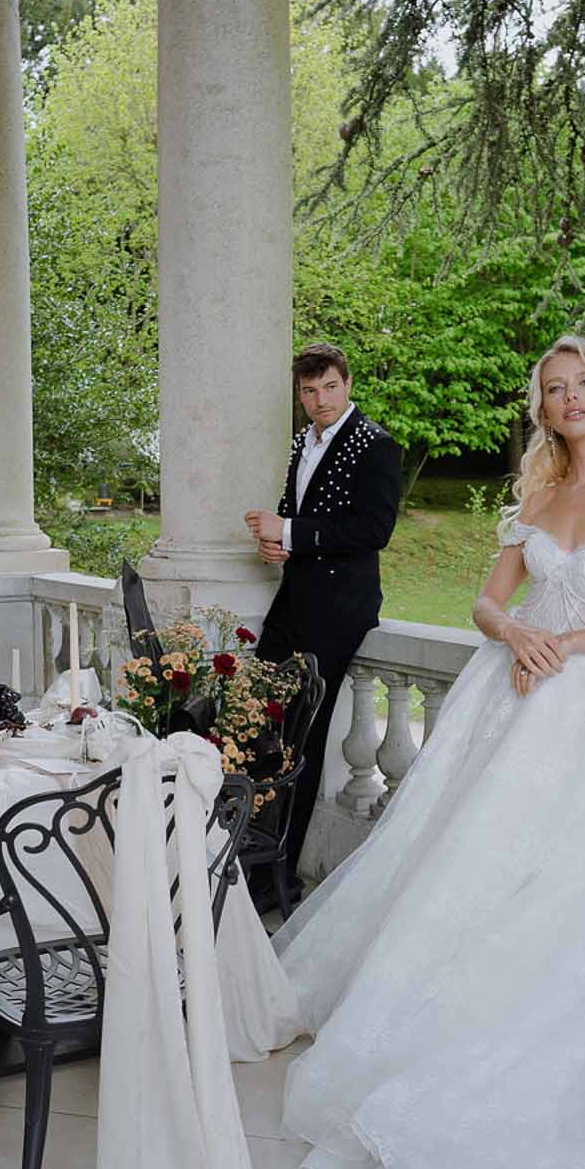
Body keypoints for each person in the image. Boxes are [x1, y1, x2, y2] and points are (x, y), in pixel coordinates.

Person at [274, 334, 585, 1169]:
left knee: (538, 874)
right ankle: (408, 1028)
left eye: (583, 383)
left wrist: (563, 648)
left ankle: (504, 1033)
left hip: (575, 702)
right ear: (544, 405)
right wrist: (516, 633)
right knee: (454, 859)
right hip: (502, 695)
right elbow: (484, 603)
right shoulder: (539, 494)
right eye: (553, 389)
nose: (569, 399)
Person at [244, 343, 402, 906]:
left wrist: (289, 533)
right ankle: (249, 861)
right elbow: (301, 514)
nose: (320, 400)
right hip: (293, 603)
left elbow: (373, 529)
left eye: (329, 388)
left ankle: (277, 877)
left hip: (338, 612)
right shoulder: (302, 443)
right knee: (257, 727)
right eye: (309, 392)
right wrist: (279, 547)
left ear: (347, 383)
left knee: (300, 743)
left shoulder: (376, 445)